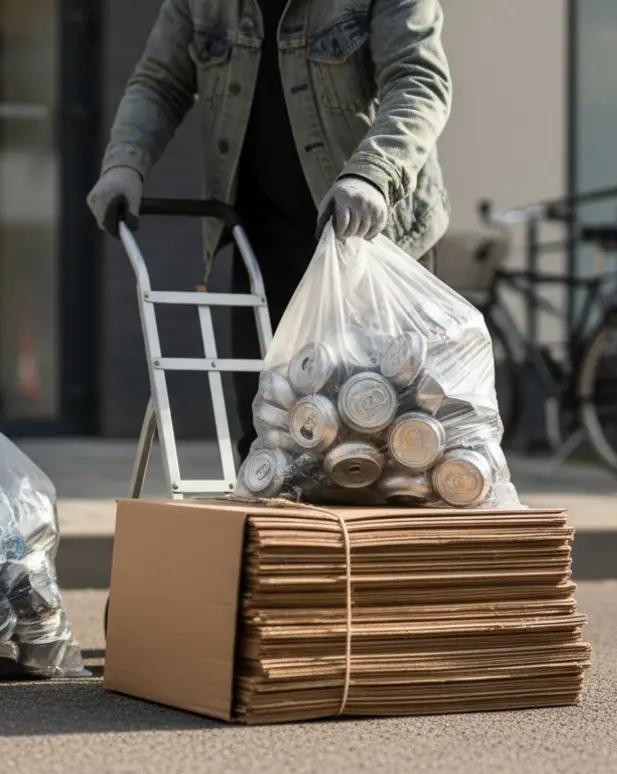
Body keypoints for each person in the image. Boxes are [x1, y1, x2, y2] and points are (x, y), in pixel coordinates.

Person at [88, 0, 451, 460]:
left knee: (383, 442)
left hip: (372, 240)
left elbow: (418, 81)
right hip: (261, 245)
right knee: (270, 440)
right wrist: (125, 162)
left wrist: (371, 174)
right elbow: (160, 82)